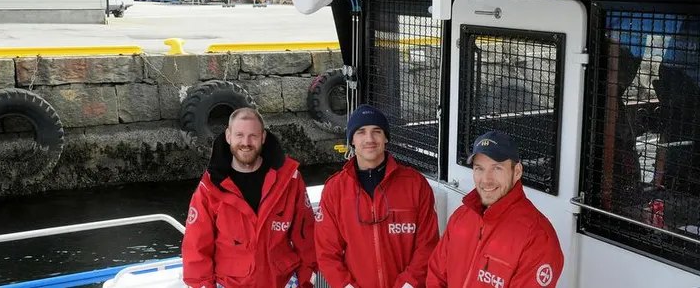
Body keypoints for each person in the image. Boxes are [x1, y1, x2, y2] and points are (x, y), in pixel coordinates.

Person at [182, 107, 318, 288]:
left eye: (253, 136)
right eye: (239, 135)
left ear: (263, 137)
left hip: (283, 282)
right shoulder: (209, 188)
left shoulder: (290, 180)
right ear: (228, 136)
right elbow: (196, 247)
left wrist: (306, 279)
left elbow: (306, 235)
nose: (246, 142)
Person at [316, 104, 440, 288]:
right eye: (361, 132)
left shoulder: (415, 184)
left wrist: (407, 285)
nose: (369, 139)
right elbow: (326, 252)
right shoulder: (335, 189)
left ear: (386, 138)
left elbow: (428, 245)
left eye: (377, 131)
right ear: (352, 140)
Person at [427, 131, 564, 288]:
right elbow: (436, 275)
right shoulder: (461, 217)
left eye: (497, 168)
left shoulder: (538, 237)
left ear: (517, 172)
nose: (486, 180)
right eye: (479, 168)